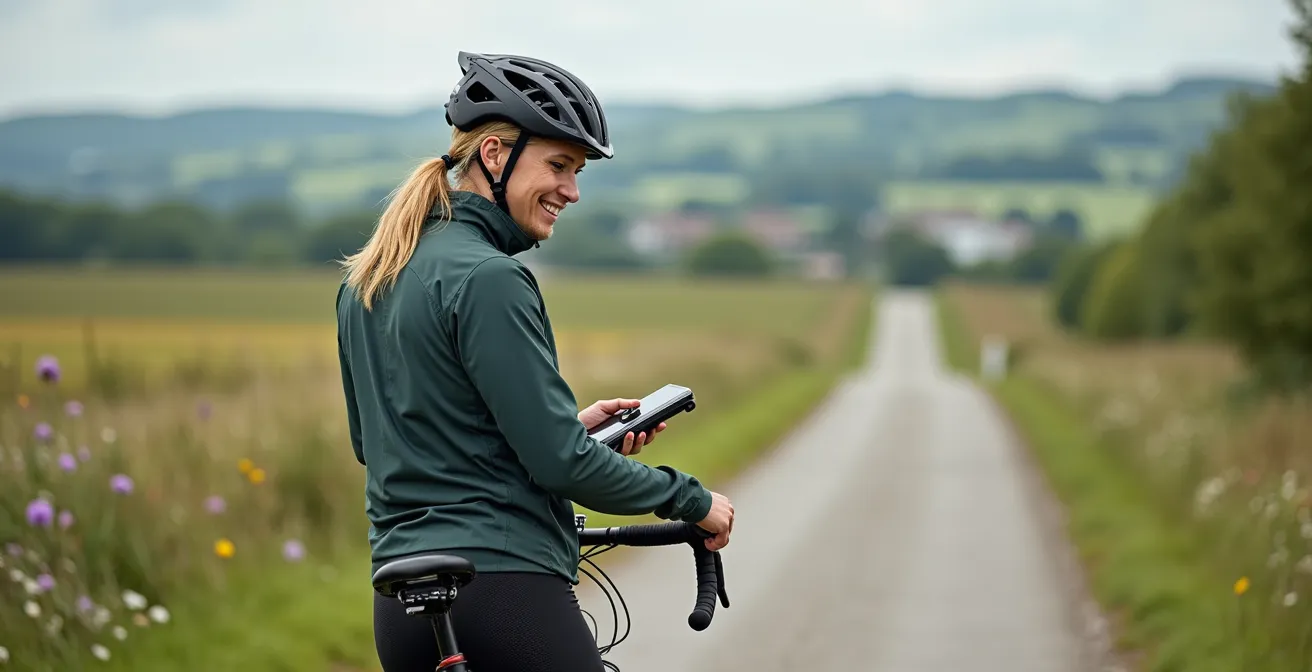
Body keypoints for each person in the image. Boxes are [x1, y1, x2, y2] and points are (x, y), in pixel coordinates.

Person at [335, 51, 735, 672]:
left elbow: (385, 443)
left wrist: (564, 427)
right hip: (504, 595)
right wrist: (690, 499)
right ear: (494, 154)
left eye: (576, 172)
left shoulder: (369, 277)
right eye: (558, 166)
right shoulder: (492, 278)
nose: (571, 192)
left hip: (403, 609)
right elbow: (559, 464)